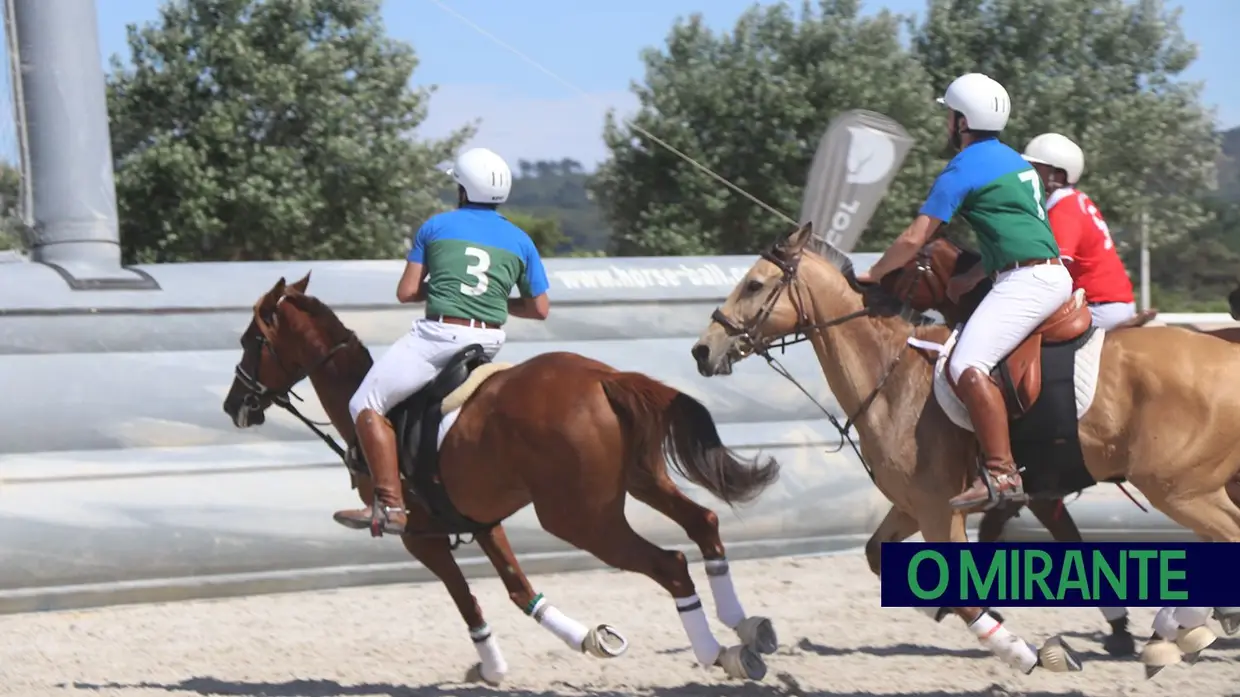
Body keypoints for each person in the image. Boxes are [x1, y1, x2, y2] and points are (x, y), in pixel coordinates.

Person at [855, 73, 1074, 511]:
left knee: (966, 362)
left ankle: (1001, 471)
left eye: (948, 117)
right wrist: (972, 278)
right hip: (1041, 274)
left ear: (960, 121)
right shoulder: (1014, 161)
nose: (945, 125)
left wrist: (875, 273)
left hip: (1026, 281)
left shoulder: (964, 166)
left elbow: (916, 238)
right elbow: (1021, 232)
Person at [334, 146, 551, 536]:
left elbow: (406, 292)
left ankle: (390, 505)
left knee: (364, 402)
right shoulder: (521, 240)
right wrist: (495, 299)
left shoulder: (435, 226)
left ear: (462, 191)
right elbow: (539, 308)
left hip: (440, 336)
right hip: (488, 342)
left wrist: (441, 291)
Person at [1021, 133, 1137, 329]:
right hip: (1107, 303)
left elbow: (1052, 267)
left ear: (1058, 176)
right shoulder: (1074, 200)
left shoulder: (1065, 209)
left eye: (1036, 168)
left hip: (1098, 307)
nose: (1028, 174)